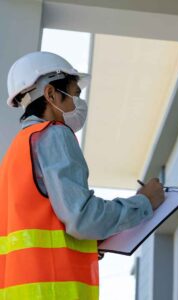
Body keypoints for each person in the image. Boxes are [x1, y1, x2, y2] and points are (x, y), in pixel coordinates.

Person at [0, 51, 165, 300]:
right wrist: (145, 202)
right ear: (51, 94)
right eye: (74, 94)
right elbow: (82, 218)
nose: (78, 103)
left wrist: (90, 243)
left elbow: (46, 227)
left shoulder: (15, 153)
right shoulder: (54, 134)